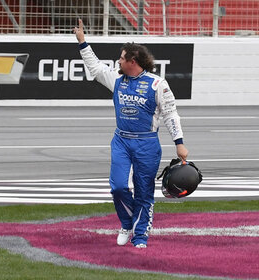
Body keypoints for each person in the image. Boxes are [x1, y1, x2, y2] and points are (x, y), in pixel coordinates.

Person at [73, 19, 188, 248]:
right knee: (118, 186)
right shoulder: (117, 79)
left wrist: (179, 142)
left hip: (147, 144)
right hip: (121, 140)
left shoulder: (158, 84)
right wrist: (82, 42)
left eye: (121, 57)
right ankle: (127, 223)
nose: (118, 60)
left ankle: (140, 236)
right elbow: (95, 68)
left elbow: (171, 114)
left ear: (132, 62)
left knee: (144, 192)